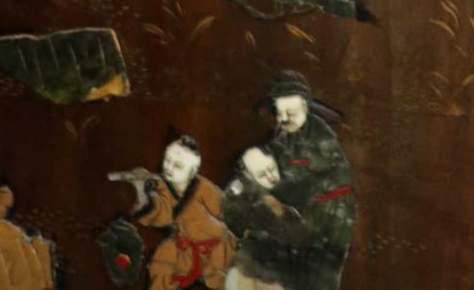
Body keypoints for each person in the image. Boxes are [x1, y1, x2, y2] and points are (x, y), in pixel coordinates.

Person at [261, 74, 356, 290]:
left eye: (290, 113)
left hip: (330, 214)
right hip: (300, 213)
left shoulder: (320, 137)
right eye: (279, 113)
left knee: (320, 279)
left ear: (305, 107)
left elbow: (302, 183)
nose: (283, 119)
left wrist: (269, 195)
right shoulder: (284, 136)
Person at [113, 135, 236, 288]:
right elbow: (162, 214)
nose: (169, 168)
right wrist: (140, 188)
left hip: (216, 246)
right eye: (167, 161)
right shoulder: (162, 187)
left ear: (192, 171)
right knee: (161, 265)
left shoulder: (203, 187)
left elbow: (226, 211)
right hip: (185, 246)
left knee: (221, 280)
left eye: (177, 166)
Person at [222, 147, 309, 290]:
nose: (271, 177)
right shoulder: (242, 201)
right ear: (248, 176)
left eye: (272, 169)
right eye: (262, 174)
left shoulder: (294, 183)